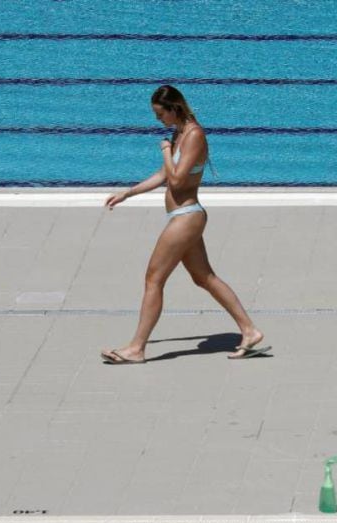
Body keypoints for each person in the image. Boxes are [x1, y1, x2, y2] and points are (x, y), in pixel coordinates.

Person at [101, 85, 264, 364]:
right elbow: (163, 175)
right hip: (182, 216)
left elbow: (176, 180)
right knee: (204, 278)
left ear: (174, 108)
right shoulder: (180, 133)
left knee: (154, 279)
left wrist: (166, 150)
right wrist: (127, 193)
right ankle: (249, 331)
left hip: (187, 216)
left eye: (159, 114)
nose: (158, 120)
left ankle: (137, 348)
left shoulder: (195, 136)